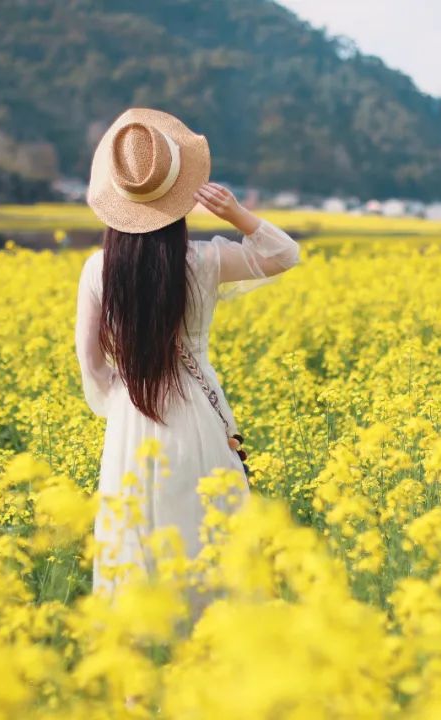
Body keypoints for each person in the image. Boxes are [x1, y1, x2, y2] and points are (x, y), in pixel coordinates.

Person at [74, 108, 301, 616]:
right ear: (179, 198)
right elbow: (286, 255)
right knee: (208, 536)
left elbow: (89, 360)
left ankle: (136, 683)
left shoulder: (97, 269)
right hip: (198, 412)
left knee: (134, 544)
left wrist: (122, 401)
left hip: (133, 416)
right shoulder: (203, 262)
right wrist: (237, 213)